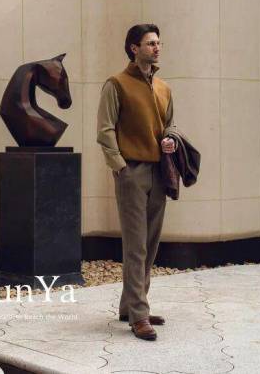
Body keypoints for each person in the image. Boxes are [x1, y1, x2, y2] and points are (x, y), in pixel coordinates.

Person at [96, 23, 176, 341]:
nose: (157, 48)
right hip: (132, 173)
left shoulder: (164, 88)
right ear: (134, 48)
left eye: (158, 43)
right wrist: (120, 168)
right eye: (150, 43)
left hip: (159, 173)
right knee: (136, 246)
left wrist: (170, 139)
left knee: (151, 243)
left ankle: (130, 306)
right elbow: (105, 130)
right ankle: (139, 315)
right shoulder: (116, 84)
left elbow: (171, 125)